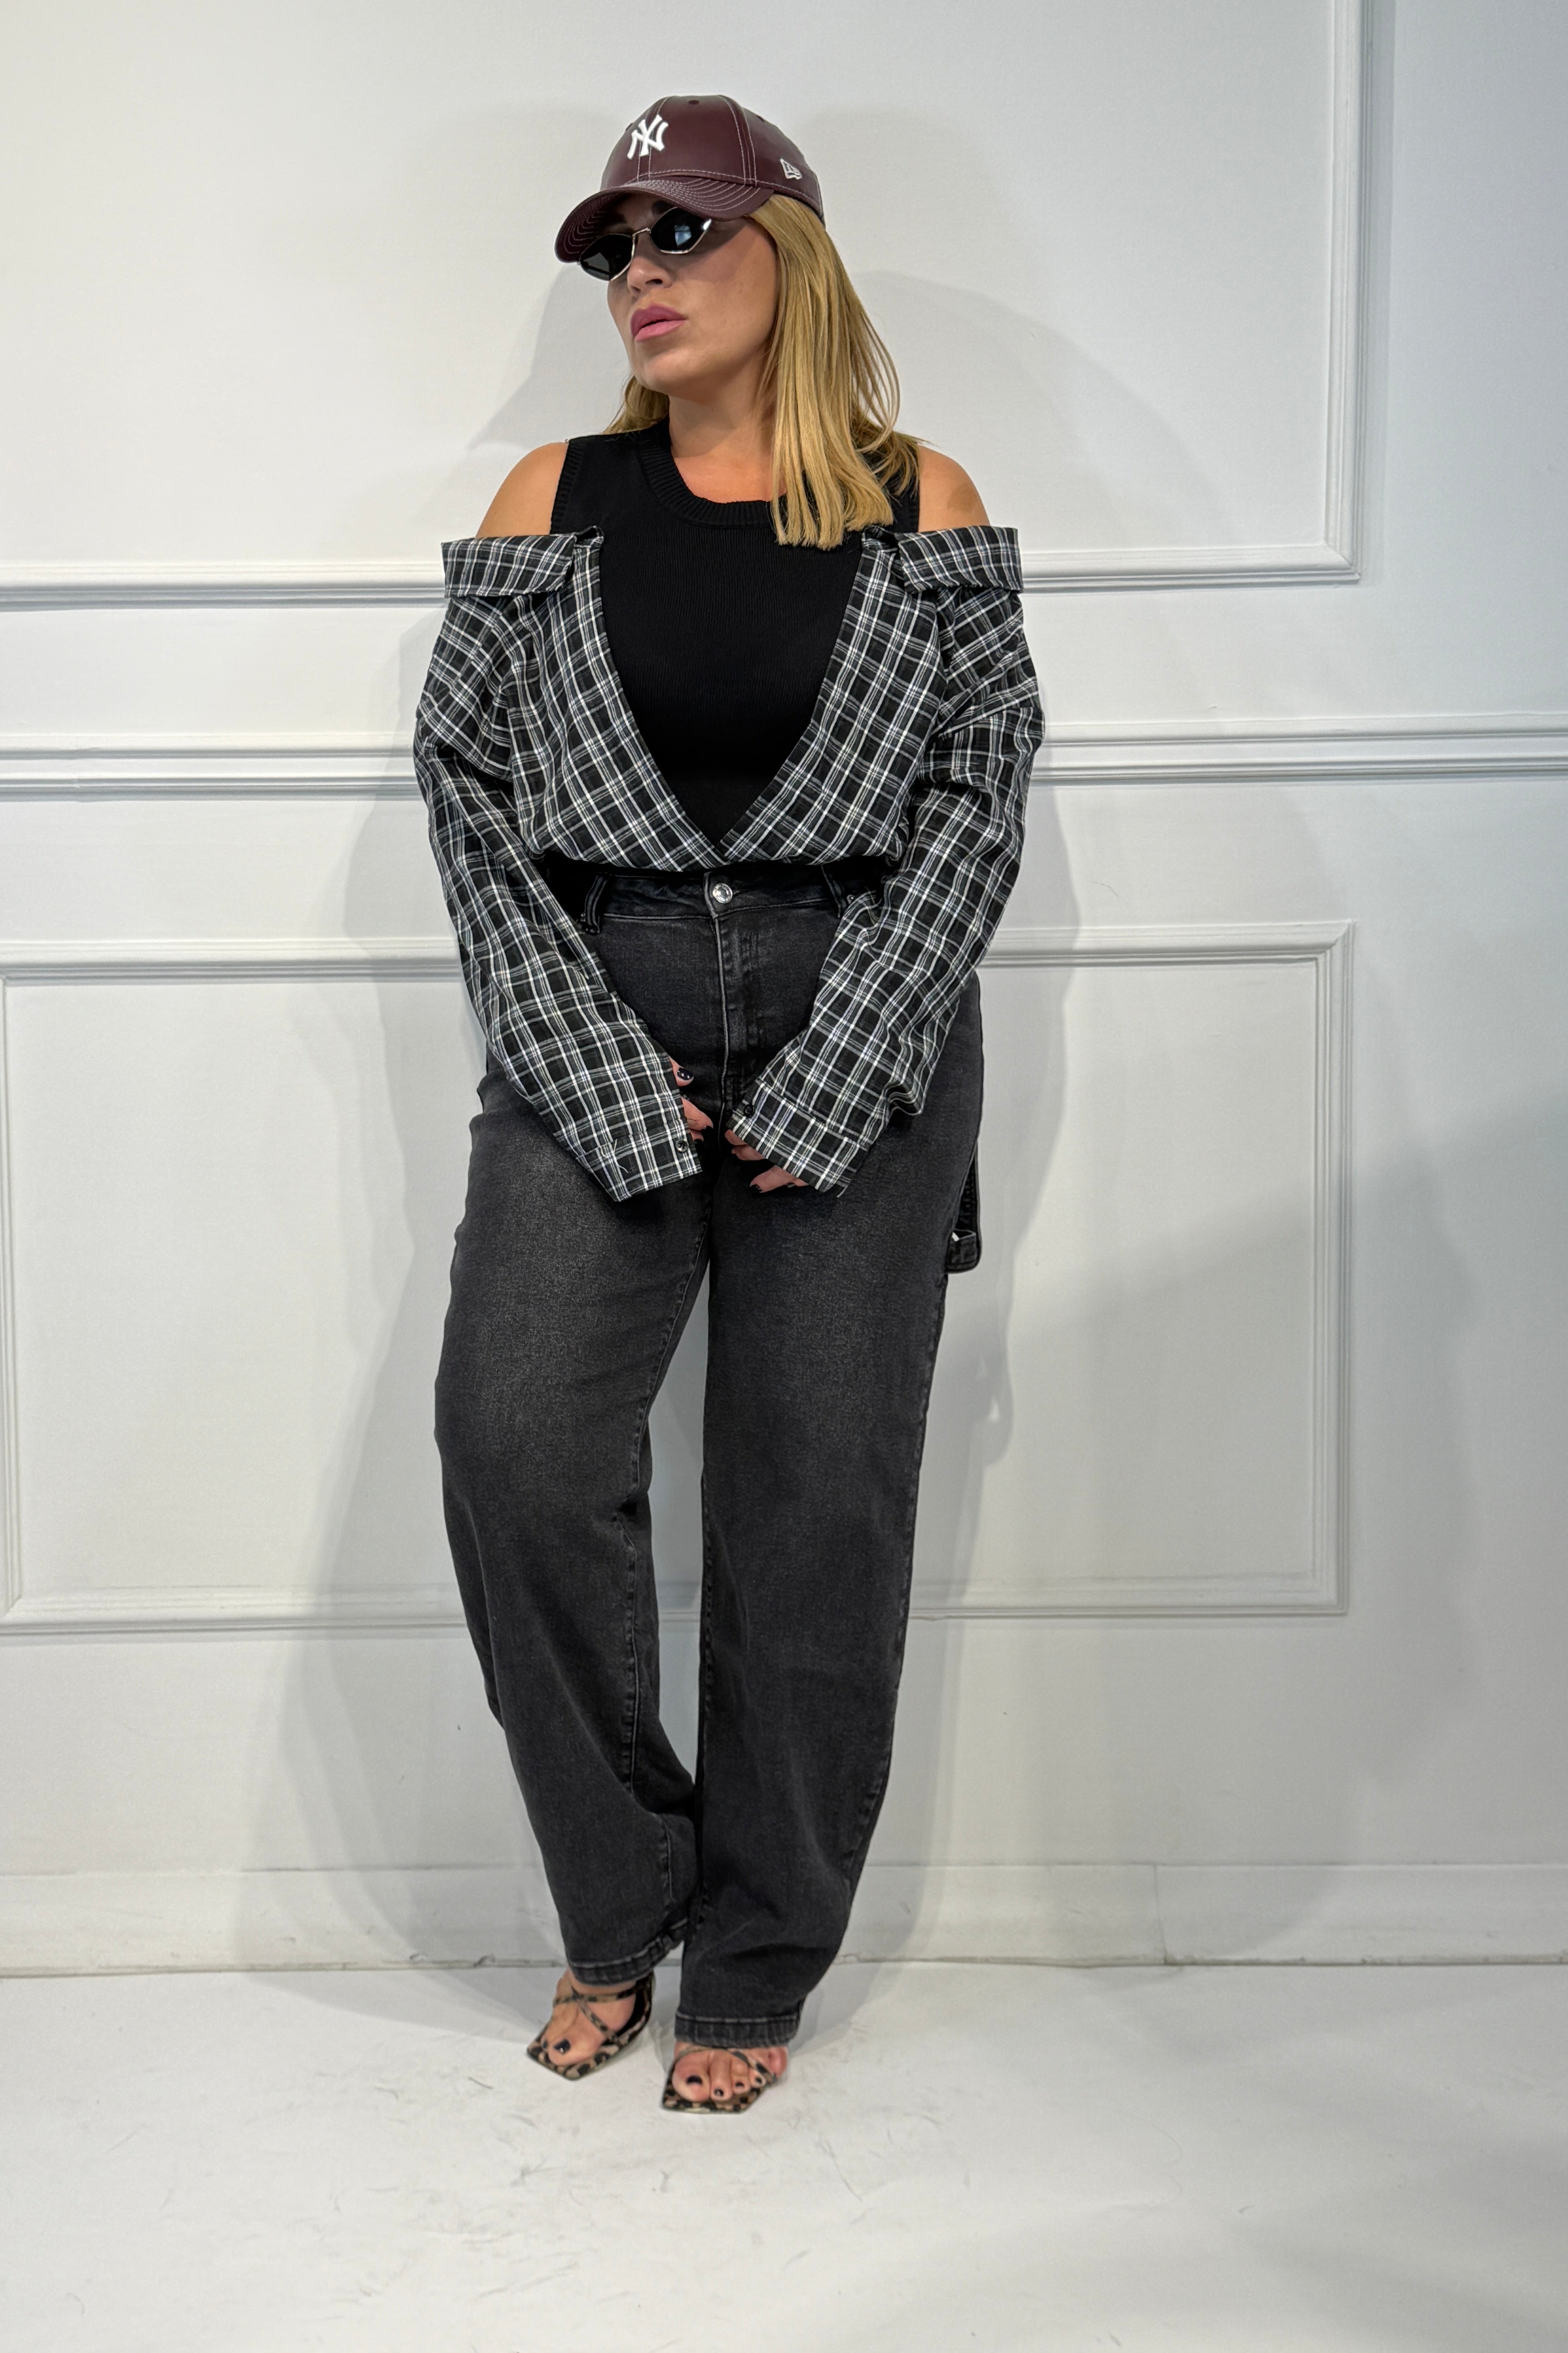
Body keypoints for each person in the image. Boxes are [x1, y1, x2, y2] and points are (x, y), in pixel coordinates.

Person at [414, 94, 1042, 2114]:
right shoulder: (554, 496)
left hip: (858, 1003)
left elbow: (977, 793)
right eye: (616, 249)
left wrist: (848, 1058)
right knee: (515, 1442)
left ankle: (756, 1957)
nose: (643, 276)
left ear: (794, 250)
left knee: (814, 1500)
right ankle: (623, 1903)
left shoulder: (922, 501)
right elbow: (467, 790)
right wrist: (598, 1062)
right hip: (594, 997)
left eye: (682, 231)